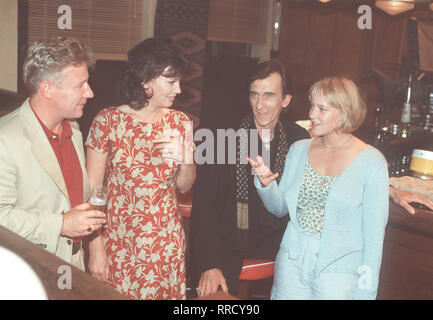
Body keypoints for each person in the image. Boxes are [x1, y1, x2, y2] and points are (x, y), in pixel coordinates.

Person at [249, 76, 389, 300]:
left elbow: (373, 241)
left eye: (322, 108)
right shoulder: (299, 149)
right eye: (312, 105)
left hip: (339, 273)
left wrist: (366, 293)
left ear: (345, 112)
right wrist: (266, 184)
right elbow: (279, 208)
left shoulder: (372, 162)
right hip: (291, 263)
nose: (312, 114)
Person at [85, 37, 195, 300]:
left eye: (179, 81)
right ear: (145, 80)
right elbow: (91, 192)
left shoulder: (180, 122)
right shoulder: (107, 121)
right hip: (119, 245)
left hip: (167, 245)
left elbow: (185, 186)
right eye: (171, 81)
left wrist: (185, 157)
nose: (178, 89)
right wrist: (95, 248)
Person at [190, 60, 309, 297]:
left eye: (269, 96)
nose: (260, 105)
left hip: (278, 239)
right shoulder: (222, 138)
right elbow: (205, 206)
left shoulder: (299, 138)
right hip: (228, 239)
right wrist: (208, 263)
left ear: (285, 100)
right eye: (254, 95)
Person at [0, 37, 106, 270]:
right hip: (27, 271)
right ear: (47, 88)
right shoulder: (5, 139)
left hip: (73, 267)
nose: (90, 92)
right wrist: (59, 224)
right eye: (80, 85)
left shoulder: (74, 129)